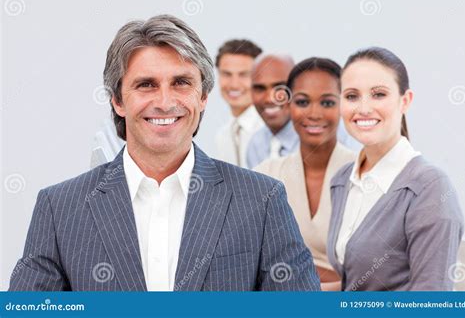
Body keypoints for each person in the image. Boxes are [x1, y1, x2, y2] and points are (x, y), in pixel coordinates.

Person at [9, 15, 320, 292]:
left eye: (181, 83)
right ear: (118, 101)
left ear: (203, 97)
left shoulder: (262, 199)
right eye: (146, 85)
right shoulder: (59, 208)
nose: (165, 101)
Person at [326, 47, 464, 291]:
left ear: (405, 101)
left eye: (378, 94)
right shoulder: (342, 180)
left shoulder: (430, 189)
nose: (364, 108)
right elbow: (359, 284)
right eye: (351, 96)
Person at [254, 57, 355, 288]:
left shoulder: (363, 174)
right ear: (288, 105)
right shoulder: (266, 173)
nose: (314, 113)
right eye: (302, 102)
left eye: (327, 103)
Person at [214, 39, 264, 168]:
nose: (234, 84)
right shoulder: (224, 135)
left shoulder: (270, 131)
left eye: (244, 75)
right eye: (226, 74)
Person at [246, 54, 299, 169]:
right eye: (260, 88)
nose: (269, 99)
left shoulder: (331, 139)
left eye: (280, 87)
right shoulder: (255, 146)